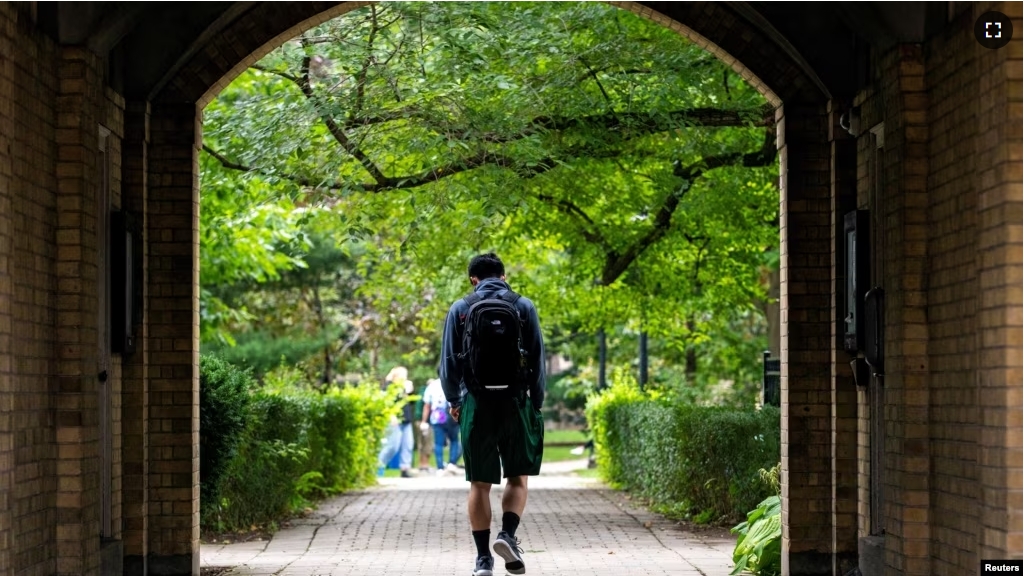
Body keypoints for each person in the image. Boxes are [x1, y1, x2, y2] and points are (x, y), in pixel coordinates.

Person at [440, 252, 545, 576]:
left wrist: (455, 401)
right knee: (517, 477)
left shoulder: (461, 308)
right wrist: (535, 404)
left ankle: (483, 560)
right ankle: (508, 535)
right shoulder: (523, 305)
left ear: (473, 278)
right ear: (503, 275)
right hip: (515, 401)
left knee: (479, 484)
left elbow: (448, 363)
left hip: (476, 402)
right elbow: (538, 358)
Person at [377, 366, 417, 478]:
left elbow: (411, 403)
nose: (405, 377)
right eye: (403, 375)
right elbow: (385, 403)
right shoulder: (388, 387)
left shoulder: (405, 387)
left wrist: (409, 391)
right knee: (392, 446)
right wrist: (391, 416)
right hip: (394, 421)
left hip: (406, 420)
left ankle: (405, 469)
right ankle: (378, 467)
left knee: (408, 445)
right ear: (396, 376)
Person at [421, 377, 463, 475]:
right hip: (452, 414)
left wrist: (424, 421)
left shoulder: (432, 386)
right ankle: (452, 463)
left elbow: (427, 405)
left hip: (437, 416)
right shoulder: (455, 381)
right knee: (454, 440)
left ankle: (440, 468)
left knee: (438, 443)